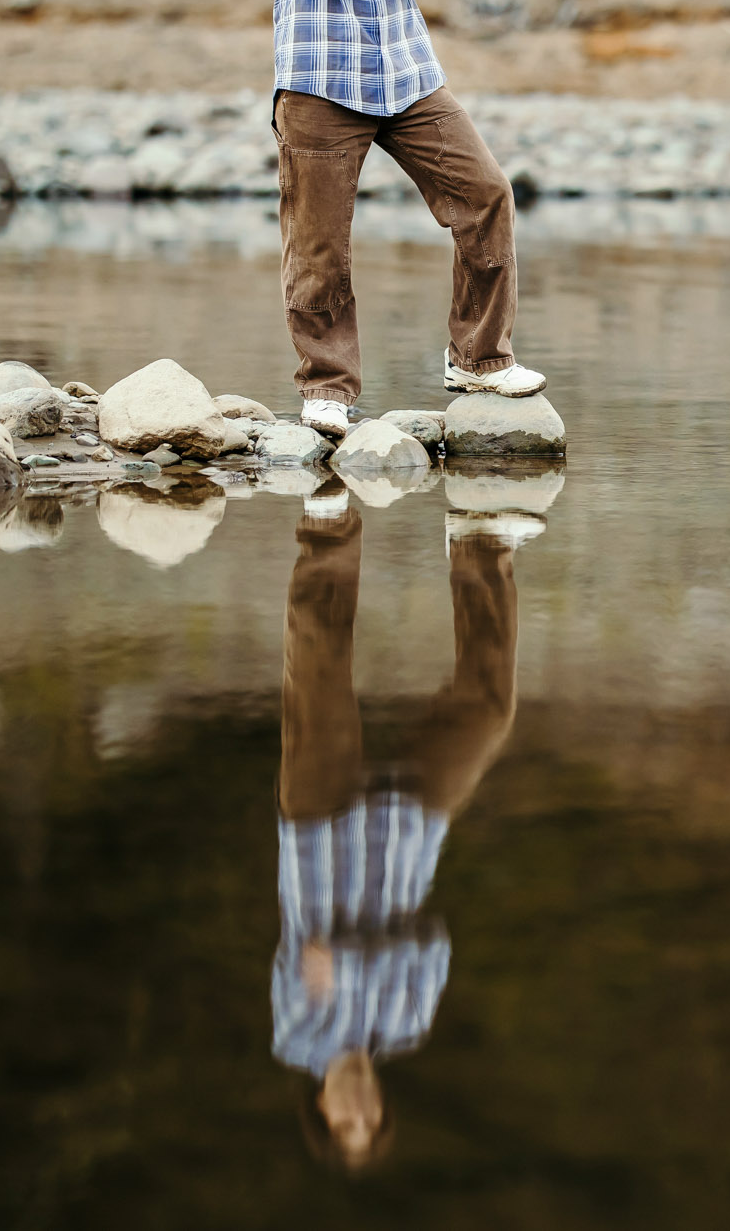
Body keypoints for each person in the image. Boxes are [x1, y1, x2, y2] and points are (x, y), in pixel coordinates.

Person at [266, 0, 548, 439]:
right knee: (319, 243)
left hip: (407, 73)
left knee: (486, 196)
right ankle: (327, 387)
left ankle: (479, 357)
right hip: (319, 78)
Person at [272, 487, 541, 1171]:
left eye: (346, 1122)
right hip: (406, 839)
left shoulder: (295, 1032)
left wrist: (362, 960)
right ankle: (482, 537)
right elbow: (433, 945)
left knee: (319, 668)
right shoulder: (409, 1027)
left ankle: (327, 522)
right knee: (489, 711)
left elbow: (321, 956)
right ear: (384, 1104)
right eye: (372, 1120)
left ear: (323, 1109)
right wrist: (359, 960)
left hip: (318, 830)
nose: (360, 1111)